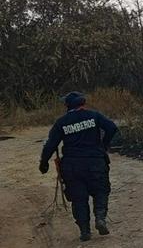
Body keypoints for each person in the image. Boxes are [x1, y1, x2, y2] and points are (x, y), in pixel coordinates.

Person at [39, 91, 118, 242]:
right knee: (101, 191)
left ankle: (84, 231)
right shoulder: (94, 116)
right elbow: (112, 128)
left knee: (78, 199)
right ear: (83, 104)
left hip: (72, 166)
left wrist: (43, 164)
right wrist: (103, 145)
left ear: (67, 106)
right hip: (96, 162)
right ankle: (100, 218)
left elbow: (50, 145)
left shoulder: (61, 122)